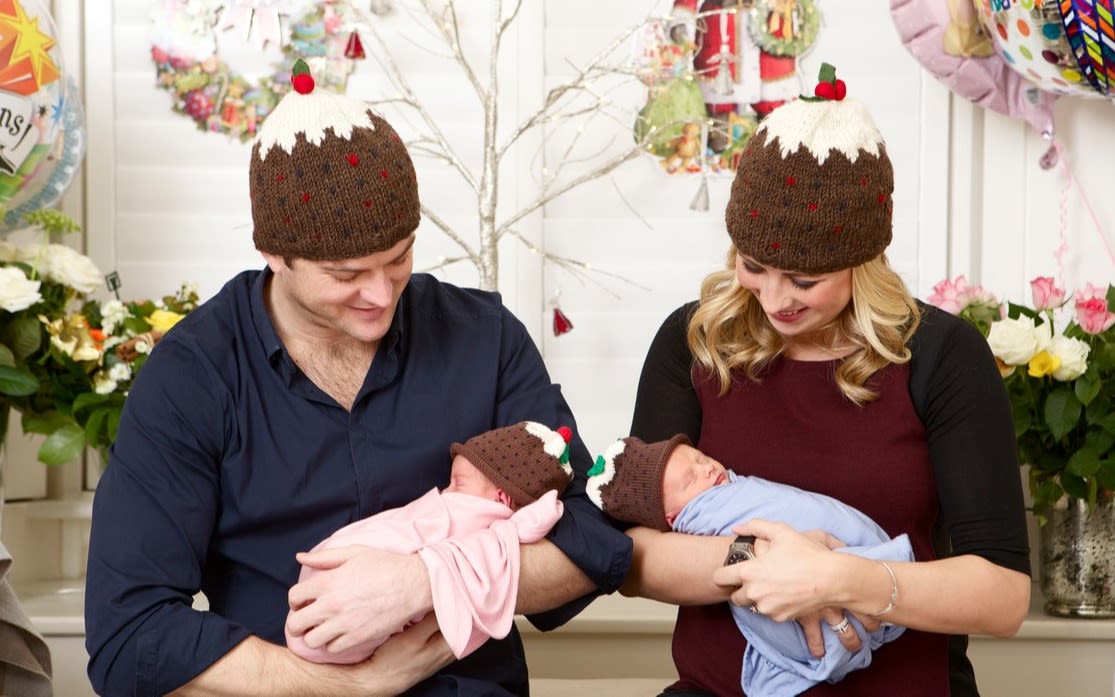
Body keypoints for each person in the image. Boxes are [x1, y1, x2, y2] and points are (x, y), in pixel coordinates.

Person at [84, 61, 632, 697]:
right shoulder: (191, 375)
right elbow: (130, 639)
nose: (379, 293)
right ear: (272, 254)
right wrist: (343, 684)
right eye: (346, 274)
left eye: (399, 258)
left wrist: (429, 578)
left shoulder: (484, 338)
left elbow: (591, 537)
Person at [623, 63, 1031, 697]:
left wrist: (842, 579)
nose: (775, 298)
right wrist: (752, 560)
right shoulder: (696, 344)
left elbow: (1003, 595)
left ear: (862, 261)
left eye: (806, 280)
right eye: (754, 267)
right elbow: (631, 557)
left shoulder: (943, 358)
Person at [587, 434, 911, 696]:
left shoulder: (735, 486)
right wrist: (763, 555)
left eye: (700, 458)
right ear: (672, 518)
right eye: (690, 480)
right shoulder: (700, 515)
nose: (707, 470)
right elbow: (625, 557)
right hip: (709, 683)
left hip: (899, 618)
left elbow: (787, 506)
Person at [287, 421, 575, 663]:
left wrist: (549, 505)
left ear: (502, 498)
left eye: (458, 483)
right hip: (335, 574)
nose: (445, 491)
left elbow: (534, 523)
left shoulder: (494, 531)